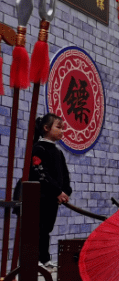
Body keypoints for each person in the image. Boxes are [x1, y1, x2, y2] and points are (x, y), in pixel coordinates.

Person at [29, 113, 71, 270]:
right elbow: (40, 173)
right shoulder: (38, 148)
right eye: (58, 127)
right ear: (46, 128)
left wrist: (65, 191)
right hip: (40, 197)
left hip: (53, 198)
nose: (62, 131)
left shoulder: (58, 152)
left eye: (63, 128)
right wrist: (57, 191)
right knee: (37, 228)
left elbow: (65, 175)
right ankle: (34, 261)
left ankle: (45, 259)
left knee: (46, 229)